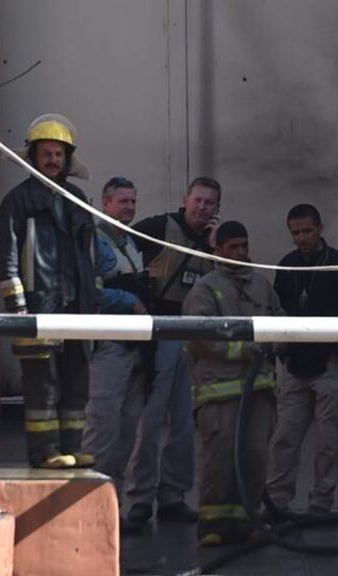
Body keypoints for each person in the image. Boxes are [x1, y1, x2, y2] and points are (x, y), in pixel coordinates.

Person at [0, 113, 99, 469]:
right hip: (39, 307)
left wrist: (93, 303)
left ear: (67, 159)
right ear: (33, 157)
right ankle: (45, 452)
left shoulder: (78, 199)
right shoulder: (18, 201)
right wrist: (18, 308)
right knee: (43, 387)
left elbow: (90, 258)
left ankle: (72, 448)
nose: (52, 160)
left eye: (58, 154)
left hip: (77, 308)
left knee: (76, 384)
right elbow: (5, 257)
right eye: (46, 154)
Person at [123, 177, 221, 524]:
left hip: (193, 337)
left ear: (217, 209)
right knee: (149, 421)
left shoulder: (214, 244)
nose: (202, 207)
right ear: (186, 199)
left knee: (183, 422)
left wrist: (214, 247)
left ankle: (173, 496)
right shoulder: (159, 227)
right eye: (198, 200)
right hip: (159, 333)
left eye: (209, 203)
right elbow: (122, 251)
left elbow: (227, 278)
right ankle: (140, 498)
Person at [182, 221, 284, 546]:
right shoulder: (205, 289)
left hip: (259, 390)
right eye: (233, 247)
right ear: (219, 249)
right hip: (219, 391)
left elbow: (282, 321)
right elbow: (199, 337)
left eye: (244, 246)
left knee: (255, 456)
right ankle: (212, 524)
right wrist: (245, 350)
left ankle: (247, 520)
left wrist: (277, 343)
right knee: (220, 458)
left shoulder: (262, 285)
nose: (241, 252)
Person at [264, 204, 338, 517]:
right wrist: (284, 353)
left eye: (307, 231)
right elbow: (277, 312)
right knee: (284, 439)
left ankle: (321, 504)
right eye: (295, 233)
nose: (301, 238)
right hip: (295, 368)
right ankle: (277, 503)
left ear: (320, 229)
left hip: (331, 368)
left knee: (328, 444)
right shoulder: (287, 267)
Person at [82, 177, 148, 491]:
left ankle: (114, 504)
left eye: (133, 201)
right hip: (108, 346)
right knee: (103, 426)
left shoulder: (130, 242)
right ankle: (88, 502)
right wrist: (129, 300)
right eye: (123, 201)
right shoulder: (95, 241)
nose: (129, 207)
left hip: (134, 346)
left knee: (127, 431)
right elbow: (90, 293)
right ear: (105, 203)